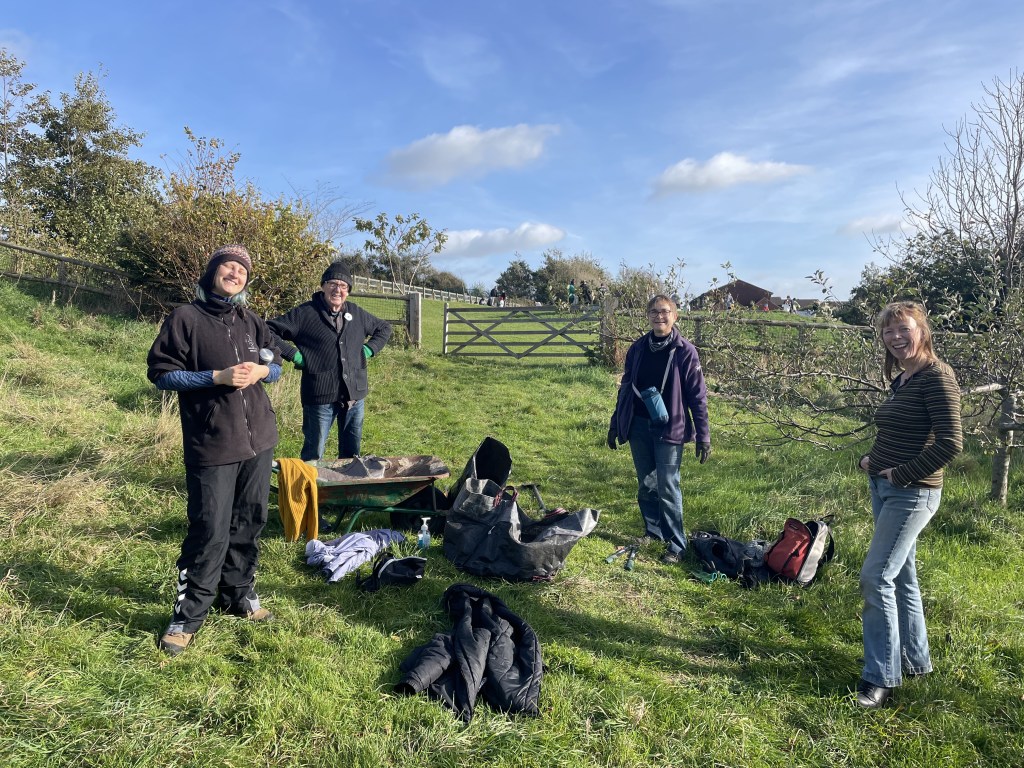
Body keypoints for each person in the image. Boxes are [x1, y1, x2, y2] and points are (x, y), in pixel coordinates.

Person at [147, 244, 282, 656]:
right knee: (209, 528)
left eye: (242, 270)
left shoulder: (250, 320)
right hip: (213, 441)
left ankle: (238, 594)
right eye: (228, 266)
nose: (236, 274)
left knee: (251, 519)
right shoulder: (185, 318)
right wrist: (216, 377)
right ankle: (187, 616)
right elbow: (162, 375)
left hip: (259, 439)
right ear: (211, 273)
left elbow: (276, 365)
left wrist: (263, 371)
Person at [855, 301, 962, 708]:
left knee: (875, 577)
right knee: (901, 576)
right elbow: (899, 429)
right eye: (888, 331)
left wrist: (900, 474)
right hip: (884, 487)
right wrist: (871, 459)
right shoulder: (904, 378)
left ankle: (880, 676)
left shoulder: (937, 377)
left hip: (912, 493)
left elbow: (951, 443)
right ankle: (915, 661)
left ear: (922, 331)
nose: (896, 337)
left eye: (904, 329)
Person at [607, 294, 711, 564]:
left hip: (670, 427)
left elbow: (698, 396)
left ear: (674, 316)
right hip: (639, 426)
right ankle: (653, 532)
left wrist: (703, 435)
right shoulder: (638, 348)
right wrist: (616, 423)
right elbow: (626, 388)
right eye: (653, 311)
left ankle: (677, 544)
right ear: (647, 316)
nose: (659, 316)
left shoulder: (685, 351)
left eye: (664, 311)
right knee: (646, 484)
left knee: (668, 485)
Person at [268, 261, 392, 461]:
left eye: (343, 286)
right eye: (333, 283)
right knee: (314, 453)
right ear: (323, 286)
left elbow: (384, 328)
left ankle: (346, 481)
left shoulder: (356, 313)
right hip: (320, 394)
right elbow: (267, 330)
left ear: (348, 291)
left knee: (352, 455)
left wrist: (369, 349)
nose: (338, 290)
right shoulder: (305, 313)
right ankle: (310, 482)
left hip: (354, 395)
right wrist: (293, 355)